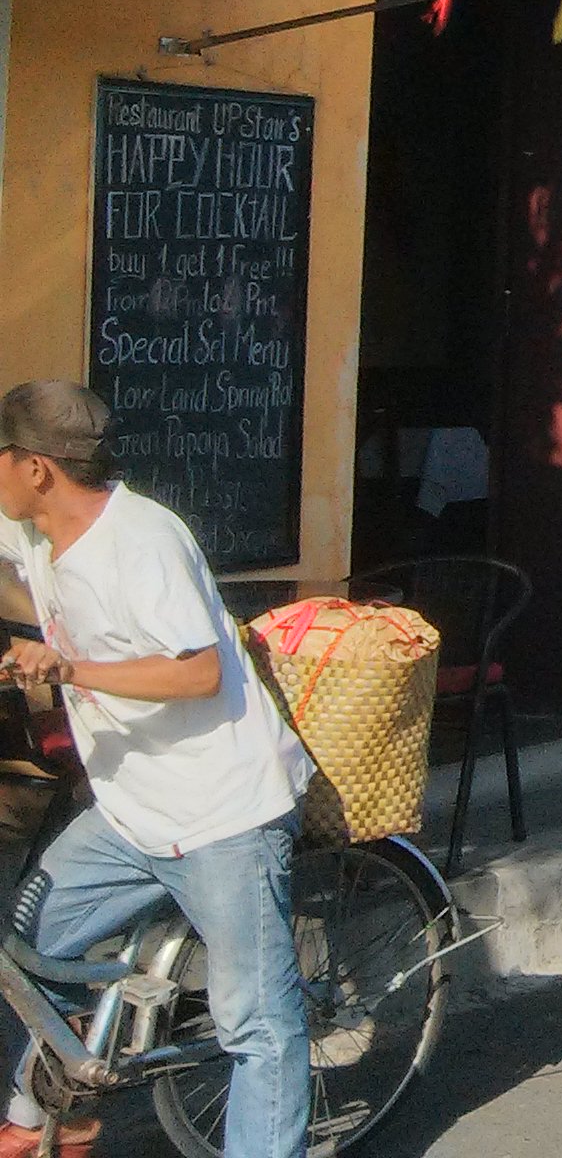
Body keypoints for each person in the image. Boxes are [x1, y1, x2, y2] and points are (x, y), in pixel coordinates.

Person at [0, 381, 313, 1158]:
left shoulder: (142, 540)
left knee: (257, 1024)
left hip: (220, 814)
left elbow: (198, 673)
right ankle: (61, 1111)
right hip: (130, 810)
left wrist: (68, 671)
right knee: (33, 944)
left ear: (35, 467)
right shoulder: (39, 533)